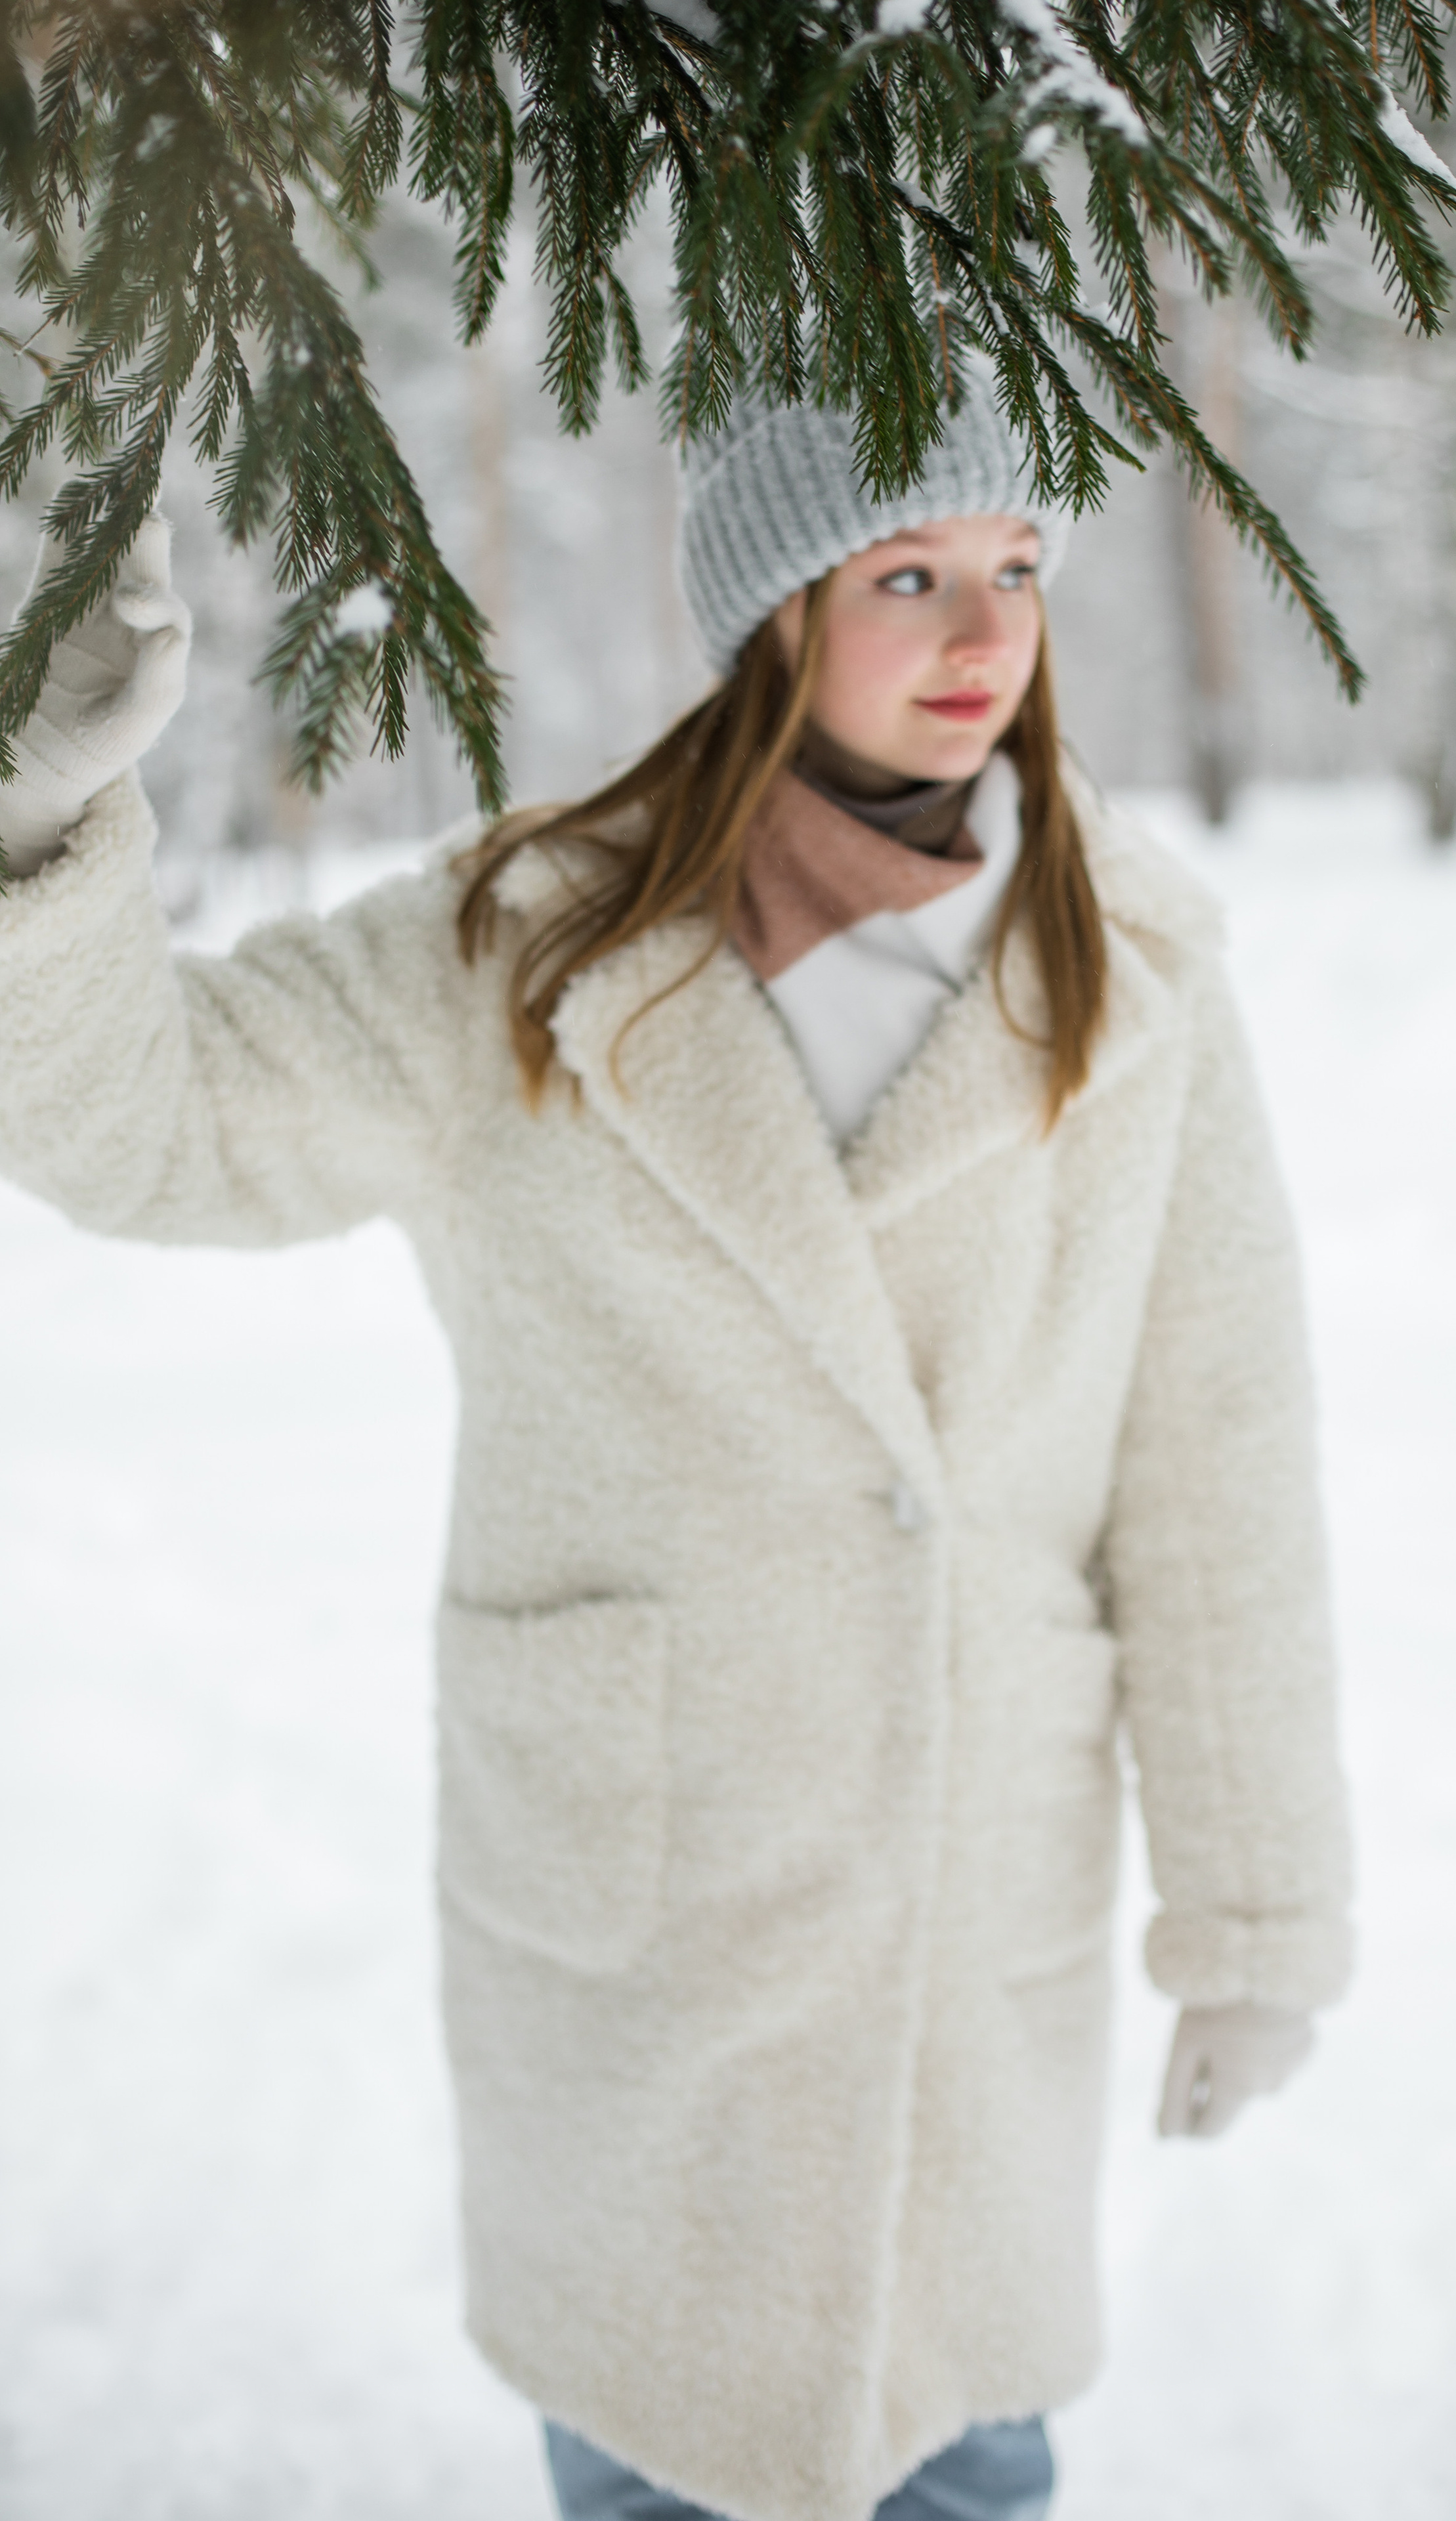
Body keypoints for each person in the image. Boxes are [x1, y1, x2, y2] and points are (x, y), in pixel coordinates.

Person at [0, 385, 1354, 2521]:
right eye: (908, 573)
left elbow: (1222, 1475)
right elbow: (146, 1122)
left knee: (964, 2452)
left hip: (964, 1946)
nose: (983, 632)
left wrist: (1257, 1918)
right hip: (640, 1960)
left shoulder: (1140, 972)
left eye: (1014, 567)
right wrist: (36, 824)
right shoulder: (521, 946)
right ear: (773, 608)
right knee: (652, 2446)